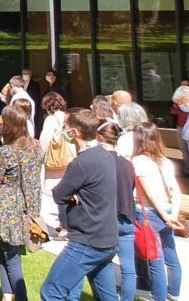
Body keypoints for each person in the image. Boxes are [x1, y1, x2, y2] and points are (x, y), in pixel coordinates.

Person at [40, 108, 118, 301]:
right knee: (108, 297)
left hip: (87, 240)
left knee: (51, 292)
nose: (62, 130)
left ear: (74, 132)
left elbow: (59, 195)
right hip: (107, 238)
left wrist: (73, 193)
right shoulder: (105, 156)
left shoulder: (83, 162)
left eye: (65, 126)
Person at [0, 105, 43, 301]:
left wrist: (3, 183)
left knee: (11, 255)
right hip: (28, 205)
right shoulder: (36, 146)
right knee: (3, 250)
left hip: (9, 207)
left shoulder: (6, 151)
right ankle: (7, 294)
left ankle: (20, 296)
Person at [130, 122, 183, 301]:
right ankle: (173, 292)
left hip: (150, 213)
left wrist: (166, 216)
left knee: (155, 258)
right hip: (168, 209)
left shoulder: (138, 162)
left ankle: (158, 297)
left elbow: (149, 194)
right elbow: (175, 190)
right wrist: (173, 214)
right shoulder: (165, 161)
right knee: (170, 253)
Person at [96, 119, 136, 301]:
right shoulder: (127, 164)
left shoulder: (99, 162)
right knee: (128, 268)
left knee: (103, 263)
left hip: (107, 218)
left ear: (100, 137)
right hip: (127, 218)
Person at [38, 91, 72, 229]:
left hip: (56, 159)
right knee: (69, 191)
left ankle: (64, 223)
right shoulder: (68, 116)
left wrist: (40, 155)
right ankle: (66, 221)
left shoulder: (51, 119)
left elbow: (45, 139)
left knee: (58, 191)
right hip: (69, 156)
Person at [170, 78, 189, 177]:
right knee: (184, 150)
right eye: (181, 85)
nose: (182, 87)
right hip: (181, 126)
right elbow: (173, 111)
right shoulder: (178, 100)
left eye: (185, 85)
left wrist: (180, 109)